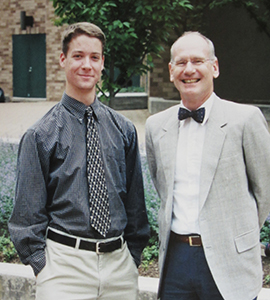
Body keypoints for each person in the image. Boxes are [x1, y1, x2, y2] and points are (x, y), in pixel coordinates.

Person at [9, 22, 150, 300]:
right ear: (62, 59)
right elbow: (27, 213)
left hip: (119, 268)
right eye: (78, 56)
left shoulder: (124, 129)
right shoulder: (41, 134)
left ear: (102, 64)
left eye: (94, 57)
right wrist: (43, 266)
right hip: (64, 269)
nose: (87, 65)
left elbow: (135, 202)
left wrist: (132, 257)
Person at [145, 31, 270, 300]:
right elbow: (161, 187)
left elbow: (265, 191)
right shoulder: (156, 126)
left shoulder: (245, 119)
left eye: (197, 61)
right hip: (175, 261)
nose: (189, 69)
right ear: (170, 71)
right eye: (180, 62)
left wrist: (237, 233)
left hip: (231, 262)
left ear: (214, 67)